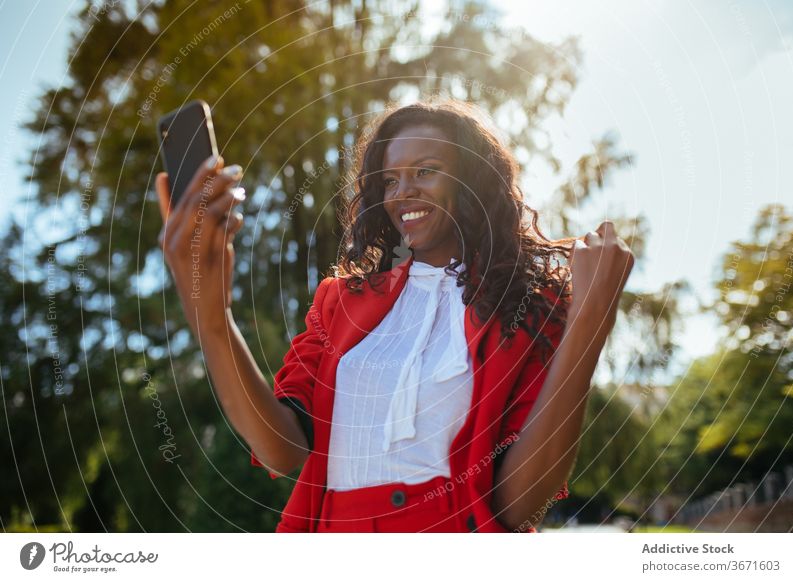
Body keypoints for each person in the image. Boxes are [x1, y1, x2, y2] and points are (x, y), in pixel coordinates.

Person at [155, 98, 635, 533]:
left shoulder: (528, 305)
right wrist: (214, 320)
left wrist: (589, 321)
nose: (403, 191)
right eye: (390, 178)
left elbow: (519, 506)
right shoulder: (338, 302)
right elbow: (281, 450)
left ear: (473, 179)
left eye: (426, 170)